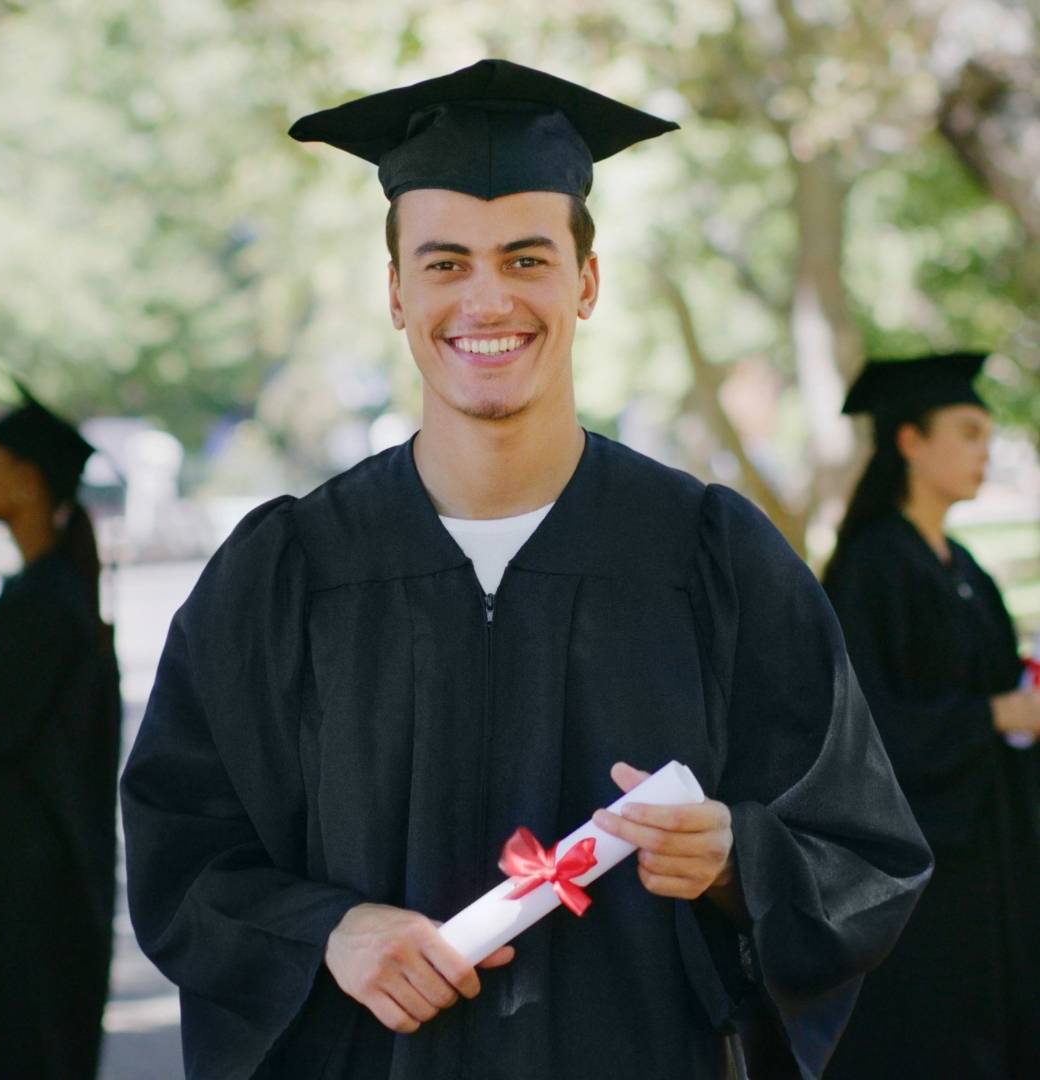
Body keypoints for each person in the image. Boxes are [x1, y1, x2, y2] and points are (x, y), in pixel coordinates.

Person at [121, 60, 932, 1080]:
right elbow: (182, 850)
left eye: (527, 258)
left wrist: (739, 858)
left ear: (586, 283)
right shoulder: (287, 573)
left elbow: (866, 853)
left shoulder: (711, 556)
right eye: (447, 263)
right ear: (397, 292)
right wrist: (329, 930)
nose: (488, 297)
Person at [822, 353, 1040, 1078]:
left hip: (989, 839)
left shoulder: (965, 566)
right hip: (919, 861)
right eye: (969, 431)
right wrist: (991, 714)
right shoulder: (872, 568)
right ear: (910, 441)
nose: (986, 450)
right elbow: (863, 725)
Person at [0, 384, 122, 1080]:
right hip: (32, 894)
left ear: (27, 481)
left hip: (18, 908)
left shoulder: (42, 609)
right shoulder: (54, 594)